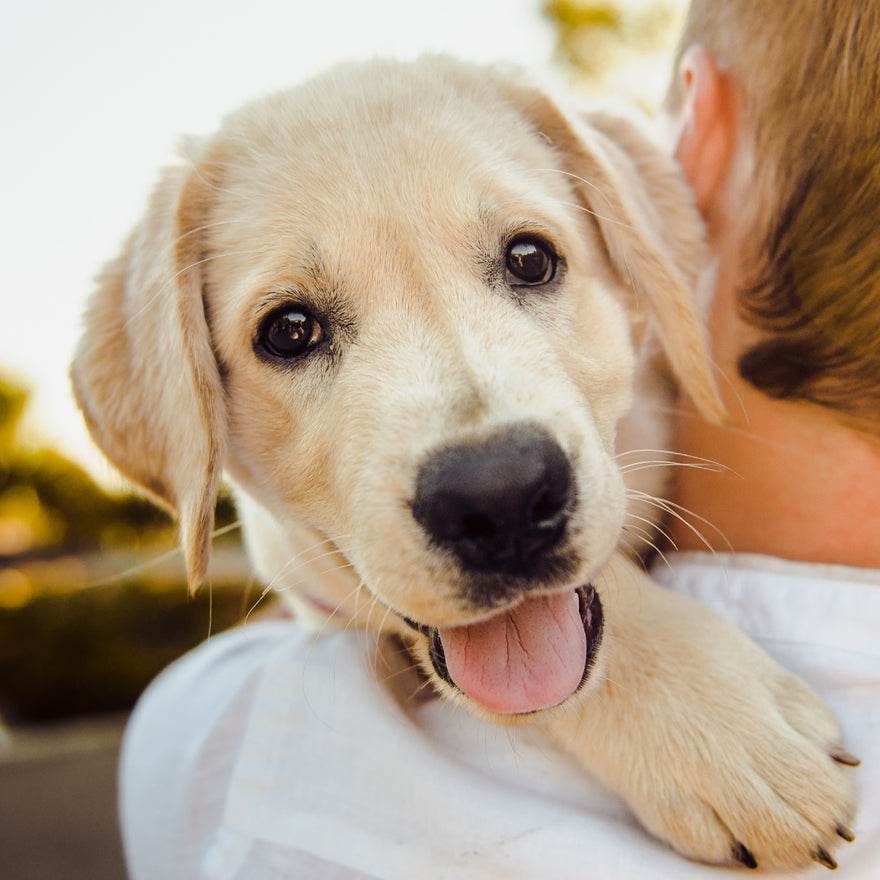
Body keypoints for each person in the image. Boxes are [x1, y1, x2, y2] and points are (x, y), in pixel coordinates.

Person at [118, 1, 880, 877]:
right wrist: (623, 648)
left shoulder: (218, 755)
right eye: (293, 331)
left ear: (636, 243)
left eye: (529, 262)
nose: (493, 477)